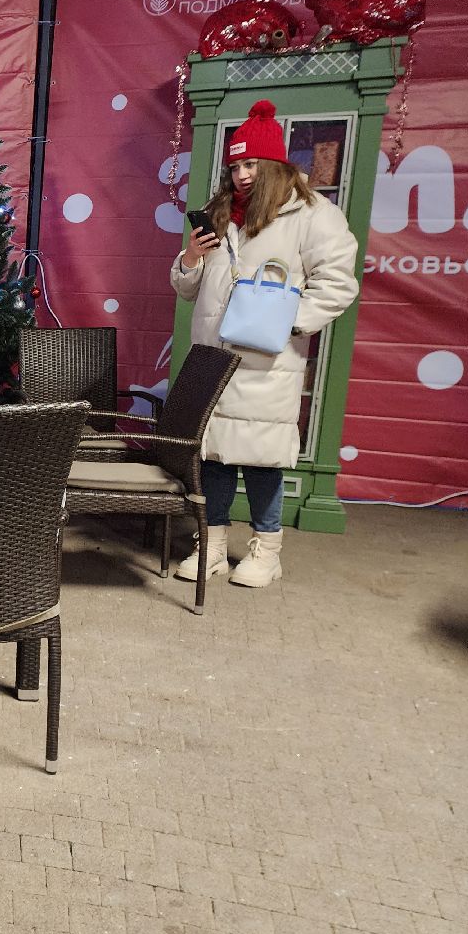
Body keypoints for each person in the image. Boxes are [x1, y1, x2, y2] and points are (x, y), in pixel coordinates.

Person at [172, 99, 359, 587]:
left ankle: (266, 549)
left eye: (251, 163)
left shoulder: (313, 215)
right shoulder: (217, 213)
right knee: (212, 456)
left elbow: (338, 282)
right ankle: (210, 545)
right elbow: (190, 289)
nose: (241, 174)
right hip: (212, 357)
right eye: (235, 165)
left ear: (276, 164)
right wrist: (191, 257)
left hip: (265, 362)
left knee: (262, 457)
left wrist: (285, 322)